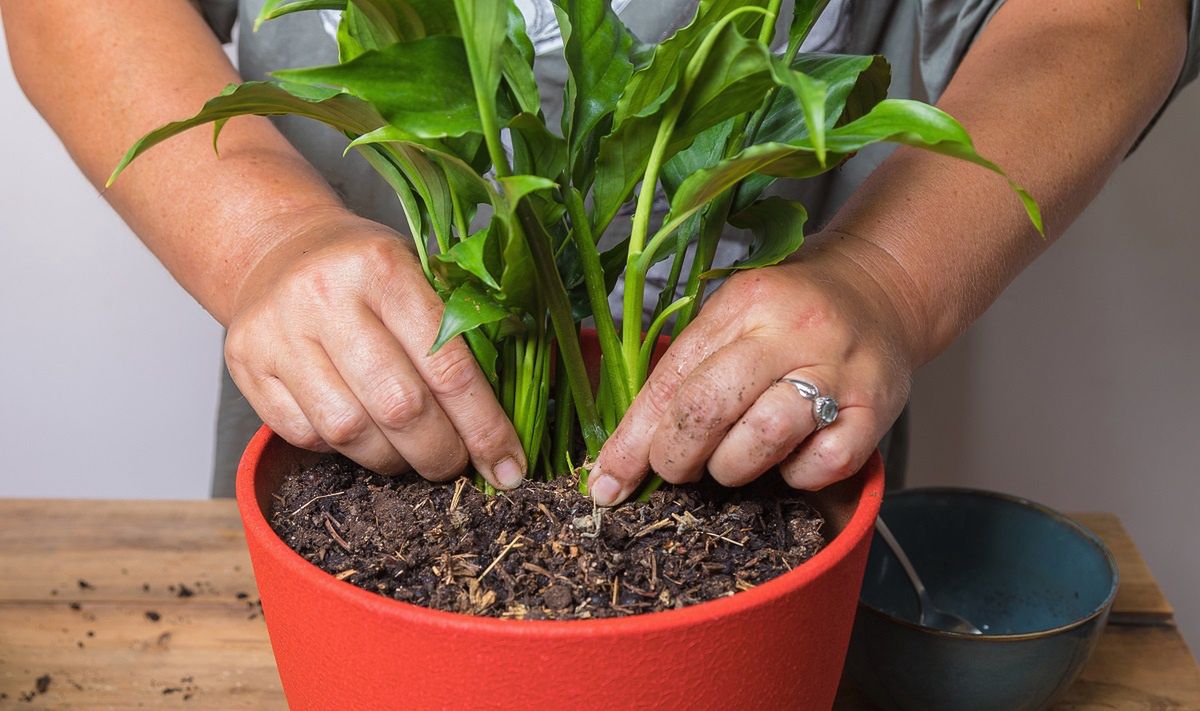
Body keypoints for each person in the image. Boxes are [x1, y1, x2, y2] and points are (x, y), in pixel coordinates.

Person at [2, 0, 1195, 505]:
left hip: (757, 469)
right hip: (349, 454)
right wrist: (268, 237)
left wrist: (884, 278)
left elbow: (1099, 15)